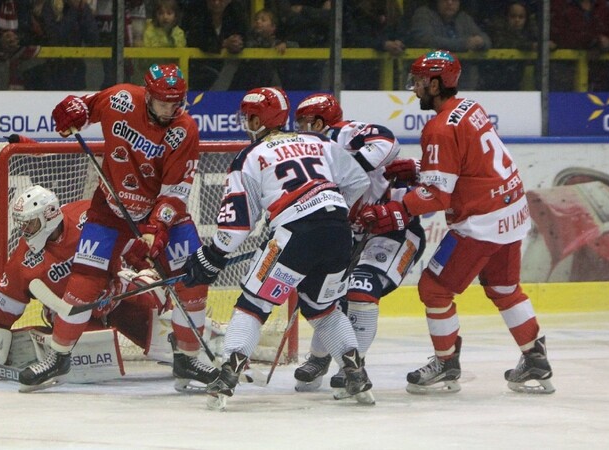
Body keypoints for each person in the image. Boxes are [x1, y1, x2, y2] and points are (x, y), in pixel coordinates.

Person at [361, 50, 554, 394]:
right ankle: (535, 357)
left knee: (434, 289)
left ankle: (447, 362)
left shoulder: (438, 128)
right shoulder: (470, 108)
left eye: (420, 82)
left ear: (435, 84)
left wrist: (397, 208)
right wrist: (420, 170)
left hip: (482, 222)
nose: (415, 88)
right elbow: (469, 165)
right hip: (512, 211)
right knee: (504, 288)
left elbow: (437, 197)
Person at [28, 63, 219, 391]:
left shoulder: (184, 129)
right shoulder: (120, 99)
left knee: (193, 281)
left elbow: (175, 192)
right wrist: (70, 113)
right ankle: (58, 356)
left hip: (163, 214)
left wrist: (158, 226)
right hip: (110, 209)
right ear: (148, 96)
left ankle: (187, 360)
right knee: (85, 281)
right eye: (163, 103)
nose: (170, 109)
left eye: (177, 102)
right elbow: (82, 108)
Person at [182, 87, 375, 409]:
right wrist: (331, 212)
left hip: (295, 236)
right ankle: (356, 374)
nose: (245, 122)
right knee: (323, 308)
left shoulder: (250, 155)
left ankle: (227, 376)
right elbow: (358, 182)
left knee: (253, 305)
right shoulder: (320, 142)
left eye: (248, 116)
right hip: (337, 232)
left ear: (259, 118)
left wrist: (213, 254)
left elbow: (238, 222)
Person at [0, 183, 170, 381]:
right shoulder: (22, 262)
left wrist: (146, 266)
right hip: (70, 317)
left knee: (163, 327)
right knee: (90, 365)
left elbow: (131, 246)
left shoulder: (87, 216)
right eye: (23, 225)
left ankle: (189, 341)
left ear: (50, 215)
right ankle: (37, 343)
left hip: (115, 296)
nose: (25, 231)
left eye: (31, 224)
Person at [290, 93, 426, 392]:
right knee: (327, 293)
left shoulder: (342, 134)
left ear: (319, 122)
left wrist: (350, 167)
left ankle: (353, 366)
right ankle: (318, 357)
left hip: (394, 233)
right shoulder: (306, 155)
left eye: (303, 122)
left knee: (361, 287)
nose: (299, 129)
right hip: (351, 234)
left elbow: (387, 141)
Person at [408, 0, 491, 90]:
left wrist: (481, 42)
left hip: (463, 81)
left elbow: (485, 39)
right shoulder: (423, 14)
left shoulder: (463, 18)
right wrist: (464, 44)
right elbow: (426, 39)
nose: (450, 3)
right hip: (431, 79)